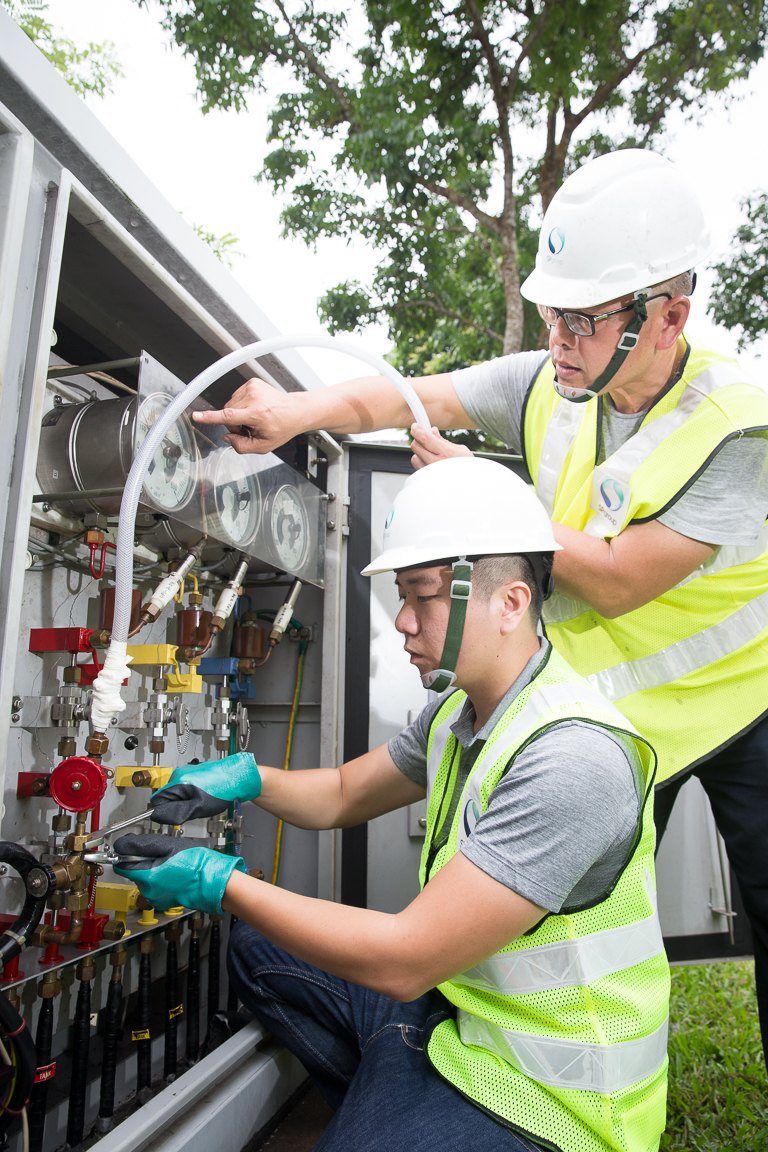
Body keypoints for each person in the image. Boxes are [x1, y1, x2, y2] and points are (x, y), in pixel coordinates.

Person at [191, 147, 768, 1060]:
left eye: (583, 318)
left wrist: (492, 498)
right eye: (551, 312)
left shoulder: (735, 423)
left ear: (668, 316)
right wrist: (299, 411)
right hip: (624, 719)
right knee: (572, 917)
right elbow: (411, 397)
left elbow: (622, 579)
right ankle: (533, 1070)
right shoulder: (553, 383)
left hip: (745, 706)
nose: (558, 337)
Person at [116, 457, 669, 1152]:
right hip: (463, 1018)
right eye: (401, 596)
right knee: (262, 950)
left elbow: (406, 960)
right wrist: (247, 780)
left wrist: (218, 882)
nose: (403, 622)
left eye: (423, 596)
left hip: (550, 1098)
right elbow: (345, 793)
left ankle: (395, 1112)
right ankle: (395, 1095)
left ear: (510, 603)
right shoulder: (458, 713)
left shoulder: (571, 758)